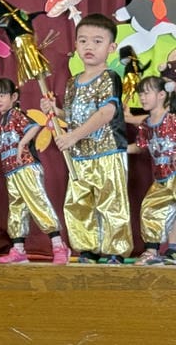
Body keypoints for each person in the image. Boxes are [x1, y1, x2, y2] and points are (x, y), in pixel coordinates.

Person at [41, 13, 131, 264]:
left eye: (97, 41)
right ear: (76, 45)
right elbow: (73, 116)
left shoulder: (109, 77)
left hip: (107, 151)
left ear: (111, 47)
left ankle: (114, 251)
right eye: (83, 41)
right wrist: (55, 110)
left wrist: (73, 136)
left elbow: (106, 112)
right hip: (80, 156)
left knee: (111, 201)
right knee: (79, 202)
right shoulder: (72, 83)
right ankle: (87, 249)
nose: (89, 46)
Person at [0, 78, 70, 264]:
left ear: (14, 97)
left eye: (2, 95)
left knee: (38, 203)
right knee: (17, 209)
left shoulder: (16, 115)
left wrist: (22, 143)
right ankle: (19, 250)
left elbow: (35, 127)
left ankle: (59, 246)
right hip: (11, 173)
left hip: (26, 167)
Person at [127, 76, 176, 265]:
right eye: (140, 93)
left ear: (162, 95)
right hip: (162, 177)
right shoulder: (147, 124)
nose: (142, 97)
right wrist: (119, 149)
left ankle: (170, 251)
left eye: (147, 93)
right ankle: (152, 252)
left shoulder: (172, 119)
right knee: (150, 208)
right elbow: (140, 146)